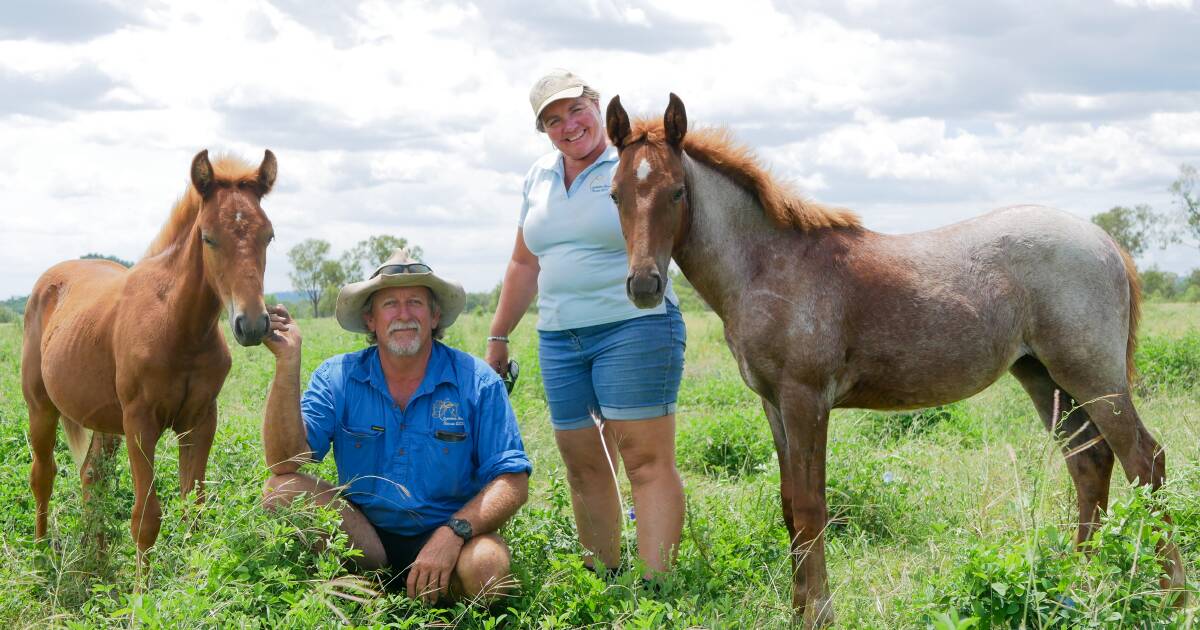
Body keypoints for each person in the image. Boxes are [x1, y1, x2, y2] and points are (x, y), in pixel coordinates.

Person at [486, 70, 687, 579]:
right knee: (584, 464)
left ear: (597, 107)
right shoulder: (539, 177)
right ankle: (603, 580)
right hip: (558, 336)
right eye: (553, 120)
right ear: (544, 130)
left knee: (644, 461)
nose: (568, 125)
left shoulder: (632, 163)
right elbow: (524, 264)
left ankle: (655, 589)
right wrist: (498, 334)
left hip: (632, 326)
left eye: (576, 110)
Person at [261, 250, 532, 604]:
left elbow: (513, 481)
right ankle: (366, 588)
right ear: (370, 319)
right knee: (281, 490)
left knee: (488, 567)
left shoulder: (477, 382)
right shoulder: (338, 377)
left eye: (415, 302)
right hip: (363, 538)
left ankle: (434, 603)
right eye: (390, 303)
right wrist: (287, 361)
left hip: (450, 536)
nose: (403, 315)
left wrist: (454, 532)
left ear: (434, 316)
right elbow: (284, 462)